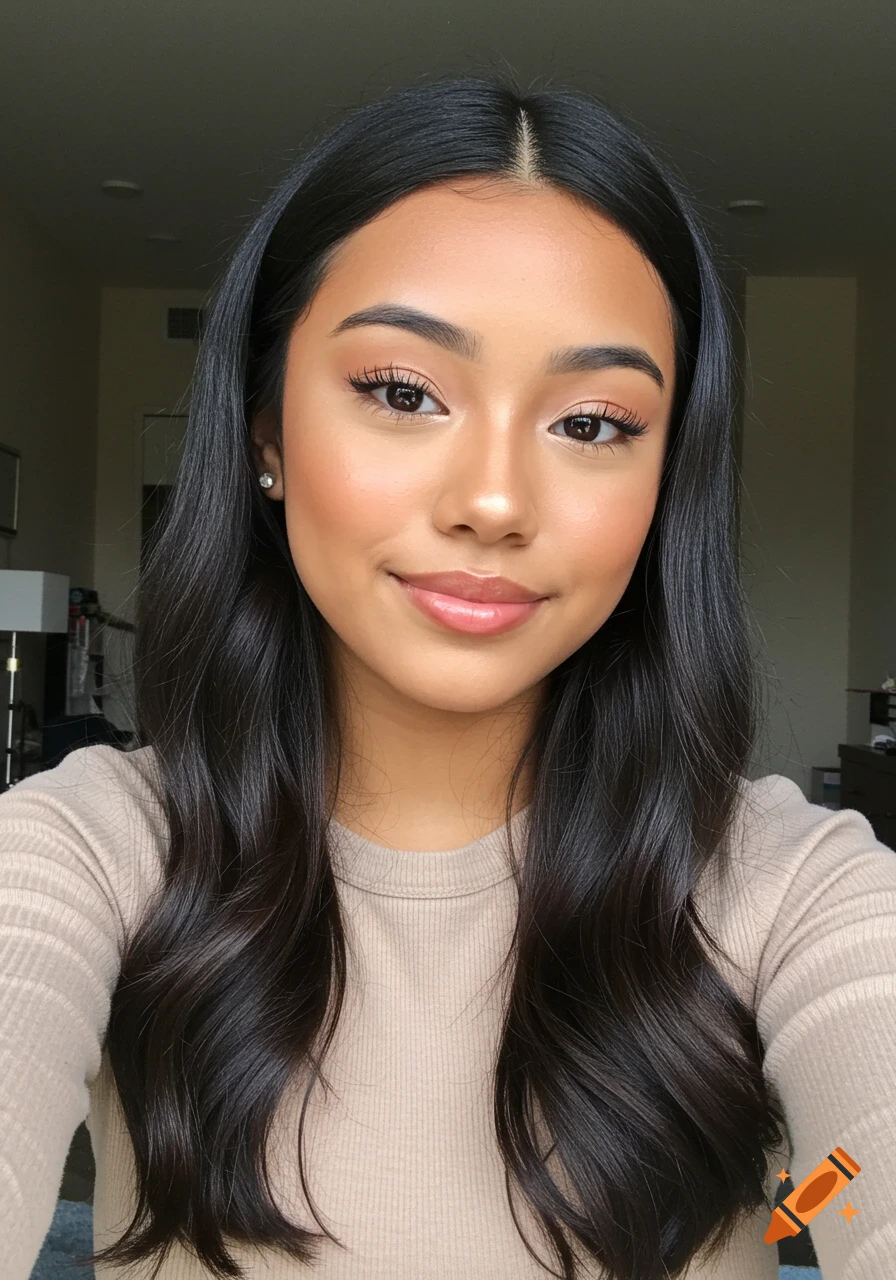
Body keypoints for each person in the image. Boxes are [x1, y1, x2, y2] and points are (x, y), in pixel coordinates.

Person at [1, 72, 894, 1280]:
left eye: (590, 422)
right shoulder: (91, 853)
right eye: (401, 390)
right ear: (266, 431)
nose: (491, 500)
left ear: (663, 479)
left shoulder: (791, 892)